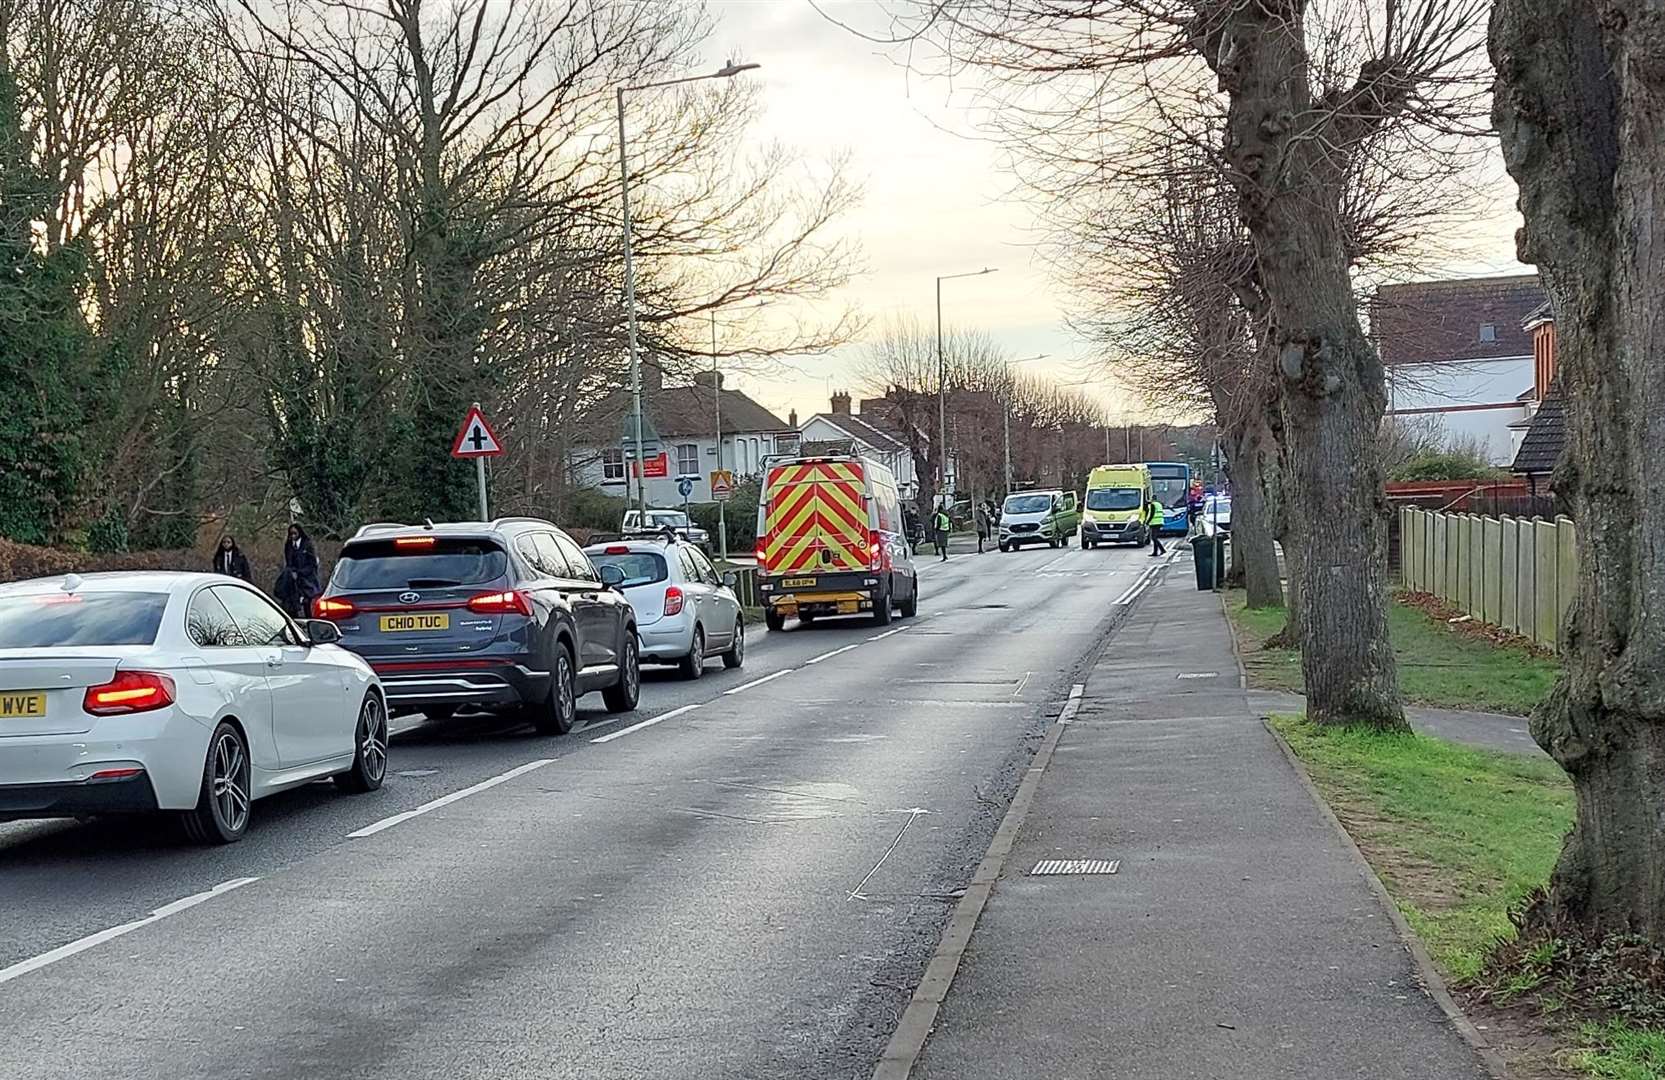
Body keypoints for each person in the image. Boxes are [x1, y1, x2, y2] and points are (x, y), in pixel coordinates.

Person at [276, 523, 322, 618]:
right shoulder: (288, 545)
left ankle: (309, 621)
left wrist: (300, 573)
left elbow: (312, 564)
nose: (293, 536)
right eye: (291, 534)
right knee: (290, 603)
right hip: (293, 579)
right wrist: (292, 572)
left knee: (307, 604)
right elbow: (288, 562)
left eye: (295, 533)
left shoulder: (307, 544)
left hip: (307, 578)